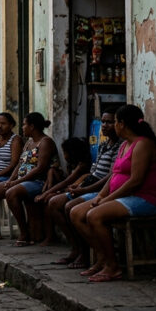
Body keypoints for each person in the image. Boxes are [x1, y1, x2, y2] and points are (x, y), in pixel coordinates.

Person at [70, 105, 156, 282]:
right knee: (76, 213)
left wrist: (107, 200)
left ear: (122, 124)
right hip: (123, 197)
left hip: (143, 199)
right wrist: (100, 196)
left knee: (94, 215)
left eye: (114, 122)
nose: (112, 126)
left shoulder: (142, 144)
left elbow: (135, 181)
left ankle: (112, 266)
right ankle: (102, 258)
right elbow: (114, 175)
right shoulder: (124, 146)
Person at [46, 113, 121, 267]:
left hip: (101, 188)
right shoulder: (103, 145)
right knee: (53, 203)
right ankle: (77, 248)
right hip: (91, 184)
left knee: (69, 207)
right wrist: (79, 185)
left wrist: (84, 189)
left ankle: (89, 253)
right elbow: (94, 172)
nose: (105, 125)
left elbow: (109, 177)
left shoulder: (119, 146)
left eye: (110, 122)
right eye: (103, 122)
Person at [0, 112, 59, 245]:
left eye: (25, 125)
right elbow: (20, 164)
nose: (23, 128)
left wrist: (16, 182)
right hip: (22, 181)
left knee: (11, 193)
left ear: (32, 126)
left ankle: (24, 232)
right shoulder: (29, 143)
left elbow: (40, 169)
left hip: (38, 182)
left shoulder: (45, 142)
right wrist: (11, 180)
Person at [33, 137, 92, 245]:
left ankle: (68, 239)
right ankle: (49, 235)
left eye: (65, 152)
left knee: (50, 201)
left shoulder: (81, 166)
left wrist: (47, 193)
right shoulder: (72, 165)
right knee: (48, 199)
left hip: (80, 191)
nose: (63, 155)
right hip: (70, 189)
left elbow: (67, 182)